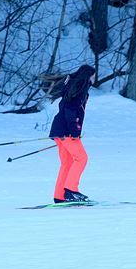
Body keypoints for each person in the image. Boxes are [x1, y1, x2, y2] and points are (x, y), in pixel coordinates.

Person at [49, 65, 96, 203]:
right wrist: (75, 131)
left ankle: (59, 196)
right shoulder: (79, 89)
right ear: (87, 76)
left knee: (67, 163)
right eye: (93, 75)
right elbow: (70, 111)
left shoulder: (72, 87)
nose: (95, 78)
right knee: (82, 158)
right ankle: (71, 190)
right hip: (67, 132)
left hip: (59, 130)